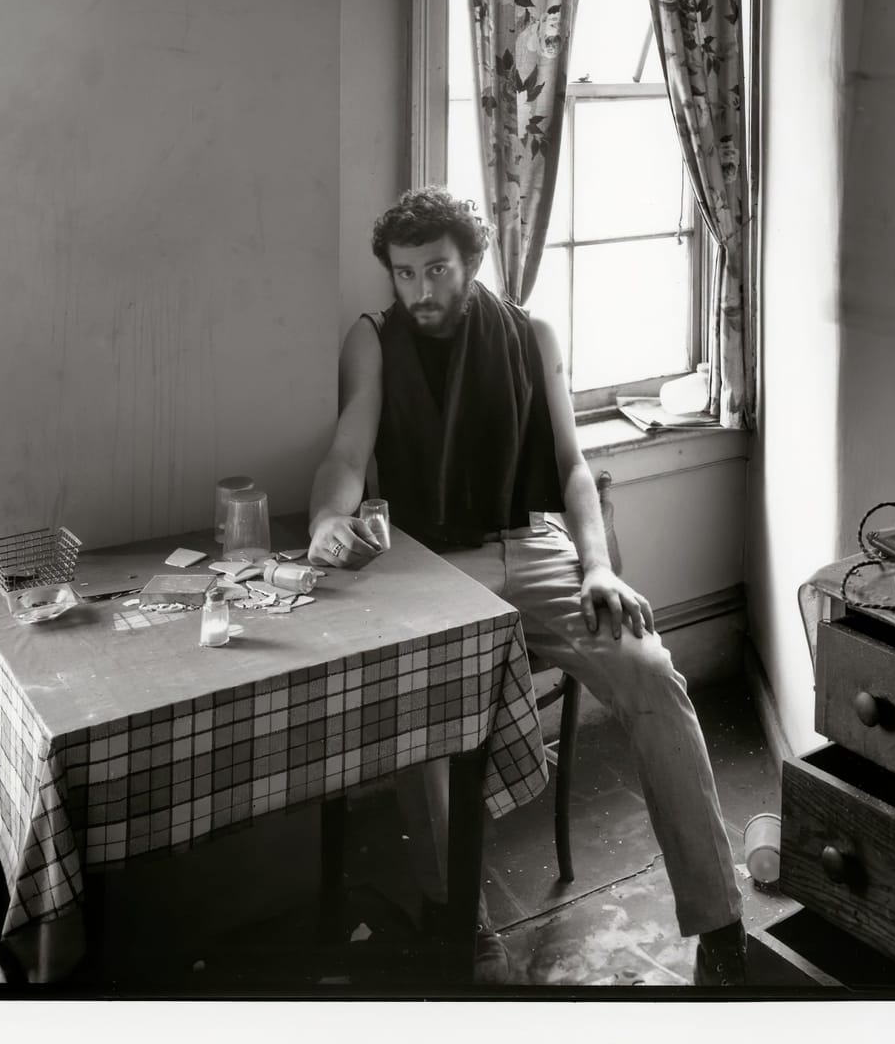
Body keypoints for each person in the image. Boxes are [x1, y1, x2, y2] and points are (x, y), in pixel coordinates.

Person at [305, 187, 747, 985]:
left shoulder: (530, 332)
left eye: (436, 269)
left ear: (472, 262)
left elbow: (574, 466)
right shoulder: (371, 340)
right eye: (404, 273)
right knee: (421, 700)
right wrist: (326, 520)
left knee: (651, 671)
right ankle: (459, 918)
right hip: (432, 562)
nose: (420, 290)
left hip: (532, 545)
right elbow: (344, 453)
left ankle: (721, 923)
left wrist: (598, 565)